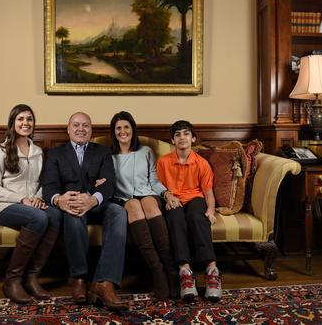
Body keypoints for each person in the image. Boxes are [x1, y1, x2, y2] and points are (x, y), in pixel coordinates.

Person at [41, 112, 129, 311]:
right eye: (76, 125)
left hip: (95, 202)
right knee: (72, 215)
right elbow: (49, 187)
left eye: (86, 125)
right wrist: (59, 200)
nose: (81, 129)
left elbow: (109, 184)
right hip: (69, 203)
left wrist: (93, 199)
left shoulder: (102, 152)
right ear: (68, 129)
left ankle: (104, 282)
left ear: (91, 130)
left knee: (118, 212)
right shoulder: (56, 153)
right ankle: (79, 278)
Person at [0, 104, 62, 304]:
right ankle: (12, 280)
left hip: (31, 205)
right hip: (4, 206)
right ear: (12, 123)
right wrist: (22, 199)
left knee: (55, 215)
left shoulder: (37, 151)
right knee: (38, 217)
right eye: (20, 119)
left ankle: (31, 277)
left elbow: (41, 183)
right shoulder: (0, 150)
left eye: (29, 119)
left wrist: (37, 197)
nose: (25, 123)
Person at [109, 111, 178, 300]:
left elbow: (154, 181)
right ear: (114, 132)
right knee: (133, 205)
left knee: (147, 202)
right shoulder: (109, 156)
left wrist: (166, 193)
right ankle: (157, 271)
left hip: (148, 194)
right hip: (124, 199)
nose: (123, 131)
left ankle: (171, 268)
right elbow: (108, 184)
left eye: (126, 127)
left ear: (133, 129)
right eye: (118, 128)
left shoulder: (145, 151)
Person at [156, 120, 223, 302]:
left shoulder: (202, 163)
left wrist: (210, 210)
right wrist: (168, 196)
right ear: (173, 140)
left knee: (196, 216)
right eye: (177, 134)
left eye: (186, 134)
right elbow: (158, 186)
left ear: (193, 138)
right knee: (176, 217)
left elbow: (208, 192)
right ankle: (185, 272)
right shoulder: (163, 162)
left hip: (195, 199)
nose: (182, 137)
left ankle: (212, 271)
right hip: (174, 200)